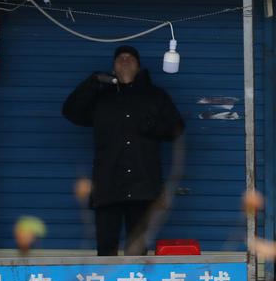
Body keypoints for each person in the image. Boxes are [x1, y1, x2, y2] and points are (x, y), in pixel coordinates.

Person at [62, 45, 184, 256]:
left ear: (138, 66)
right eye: (120, 58)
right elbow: (71, 111)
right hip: (108, 185)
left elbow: (177, 128)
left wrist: (153, 126)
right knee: (106, 247)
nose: (125, 61)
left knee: (137, 248)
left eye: (130, 58)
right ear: (113, 68)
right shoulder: (101, 98)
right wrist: (91, 84)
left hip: (143, 186)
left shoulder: (154, 96)